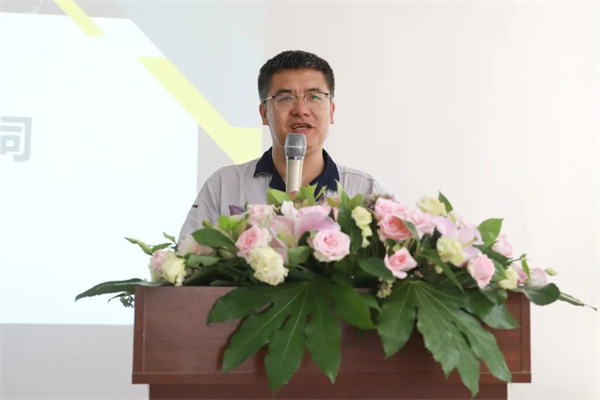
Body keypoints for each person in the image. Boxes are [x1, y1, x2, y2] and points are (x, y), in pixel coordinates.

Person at [178, 50, 387, 241]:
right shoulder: (224, 185)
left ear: (331, 111)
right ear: (264, 113)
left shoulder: (364, 190)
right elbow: (189, 256)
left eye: (314, 97)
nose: (301, 110)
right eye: (286, 98)